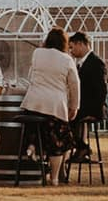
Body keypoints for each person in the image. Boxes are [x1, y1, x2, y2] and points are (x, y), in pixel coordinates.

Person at [20, 28, 82, 185]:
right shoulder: (67, 59)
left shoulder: (37, 53)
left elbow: (30, 75)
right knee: (59, 142)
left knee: (36, 128)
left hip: (33, 102)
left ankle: (32, 146)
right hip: (55, 105)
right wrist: (74, 106)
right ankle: (54, 177)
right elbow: (74, 84)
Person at [67, 32, 107, 163]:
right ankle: (80, 147)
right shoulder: (83, 63)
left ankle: (81, 147)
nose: (70, 51)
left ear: (80, 44)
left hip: (92, 107)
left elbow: (101, 90)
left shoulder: (96, 62)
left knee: (67, 118)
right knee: (68, 116)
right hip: (85, 105)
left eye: (72, 47)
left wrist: (93, 111)